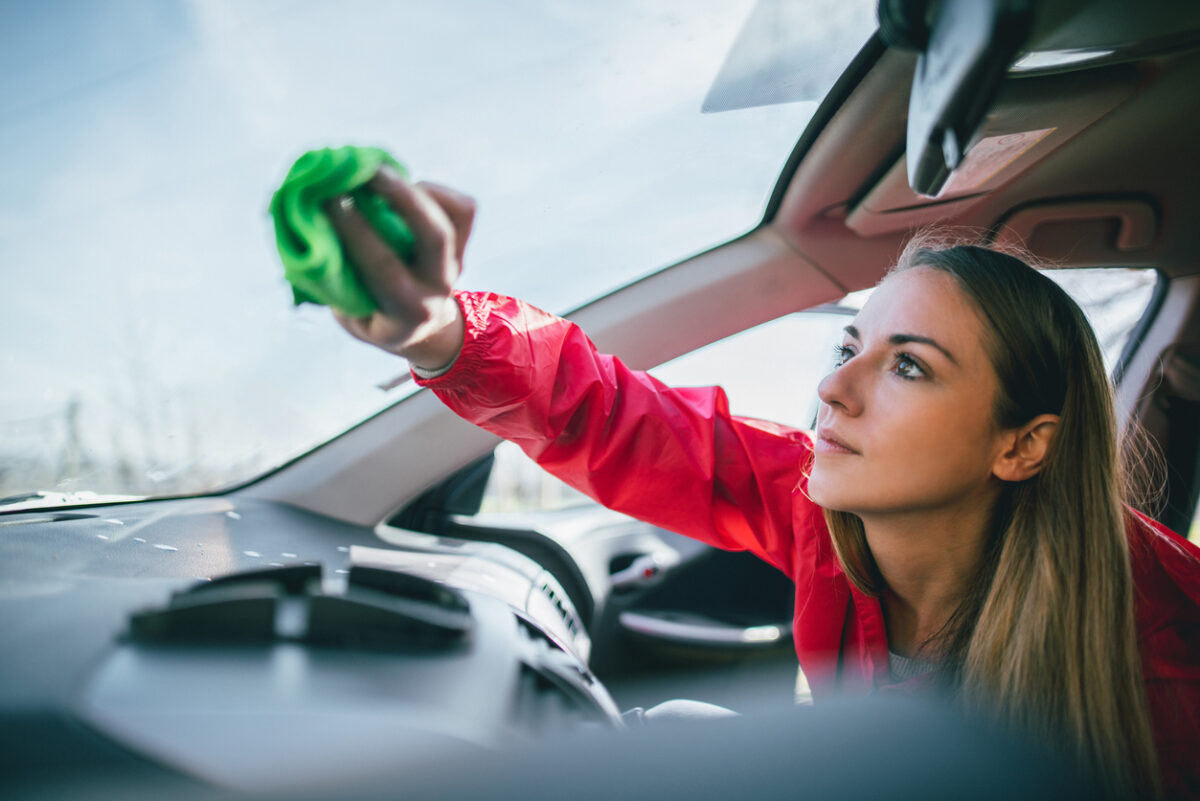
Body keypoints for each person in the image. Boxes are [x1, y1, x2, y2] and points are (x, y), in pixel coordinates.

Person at [325, 168, 1200, 799]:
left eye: (911, 369)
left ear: (1024, 445)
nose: (832, 388)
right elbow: (620, 419)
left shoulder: (1166, 651)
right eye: (849, 348)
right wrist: (438, 329)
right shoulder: (816, 507)